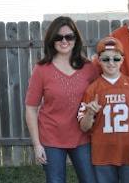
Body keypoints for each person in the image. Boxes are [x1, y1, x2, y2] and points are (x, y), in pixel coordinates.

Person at [25, 16, 98, 183]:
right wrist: (37, 145)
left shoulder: (89, 68)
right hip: (51, 138)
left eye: (69, 36)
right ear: (52, 40)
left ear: (76, 39)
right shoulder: (41, 69)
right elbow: (31, 108)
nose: (64, 41)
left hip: (82, 136)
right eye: (58, 37)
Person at [77, 36, 129, 183]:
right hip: (103, 153)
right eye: (106, 59)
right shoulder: (92, 89)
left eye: (115, 58)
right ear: (98, 60)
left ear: (122, 59)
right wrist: (90, 113)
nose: (111, 63)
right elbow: (84, 127)